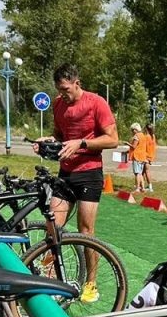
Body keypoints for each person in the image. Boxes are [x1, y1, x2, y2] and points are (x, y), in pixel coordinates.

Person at [34, 63, 119, 303]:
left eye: (66, 89)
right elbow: (60, 135)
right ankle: (51, 276)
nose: (62, 94)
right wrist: (47, 141)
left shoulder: (96, 102)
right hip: (66, 172)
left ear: (77, 83)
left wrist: (81, 143)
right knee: (53, 225)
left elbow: (113, 139)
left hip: (89, 173)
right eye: (59, 90)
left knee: (86, 231)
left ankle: (91, 283)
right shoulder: (59, 104)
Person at [127, 122, 145, 192]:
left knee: (137, 173)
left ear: (135, 129)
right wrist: (127, 151)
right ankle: (143, 188)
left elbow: (134, 146)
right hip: (142, 156)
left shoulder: (136, 136)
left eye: (132, 130)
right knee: (140, 173)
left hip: (137, 156)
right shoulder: (143, 135)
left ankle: (137, 188)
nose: (132, 132)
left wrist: (128, 144)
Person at [142, 123, 157, 192]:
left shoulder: (146, 137)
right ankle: (142, 185)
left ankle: (150, 187)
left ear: (146, 129)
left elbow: (143, 147)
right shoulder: (153, 136)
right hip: (151, 155)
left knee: (146, 171)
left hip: (146, 156)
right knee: (143, 171)